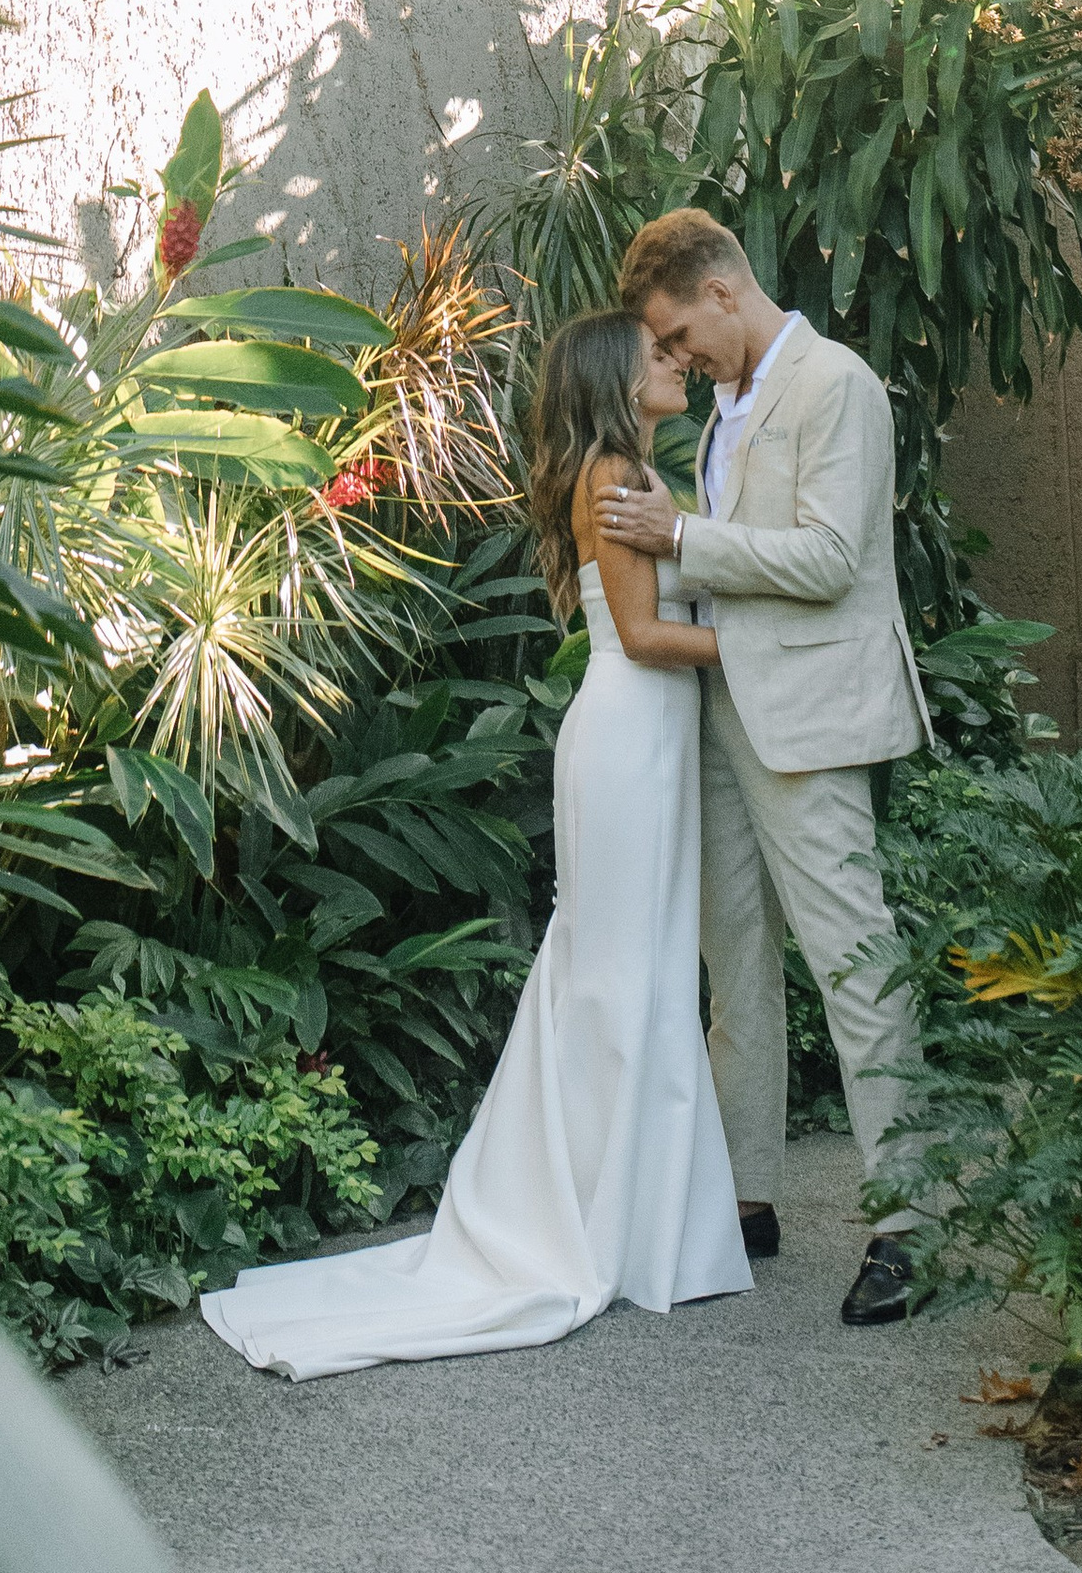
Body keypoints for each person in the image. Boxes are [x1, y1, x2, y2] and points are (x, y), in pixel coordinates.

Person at [197, 307, 749, 1377]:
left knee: (626, 967)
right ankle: (610, 1226)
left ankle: (631, 1218)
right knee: (619, 971)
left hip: (644, 740)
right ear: (614, 379)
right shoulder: (612, 477)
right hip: (629, 735)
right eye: (656, 356)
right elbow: (640, 635)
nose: (674, 361)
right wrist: (763, 651)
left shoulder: (627, 467)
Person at [595, 208, 931, 1330]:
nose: (678, 356)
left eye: (678, 331)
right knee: (732, 966)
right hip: (719, 709)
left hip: (811, 720)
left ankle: (908, 1222)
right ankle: (745, 1199)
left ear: (723, 290)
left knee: (853, 964)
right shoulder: (722, 415)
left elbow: (832, 560)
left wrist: (678, 537)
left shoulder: (836, 387)